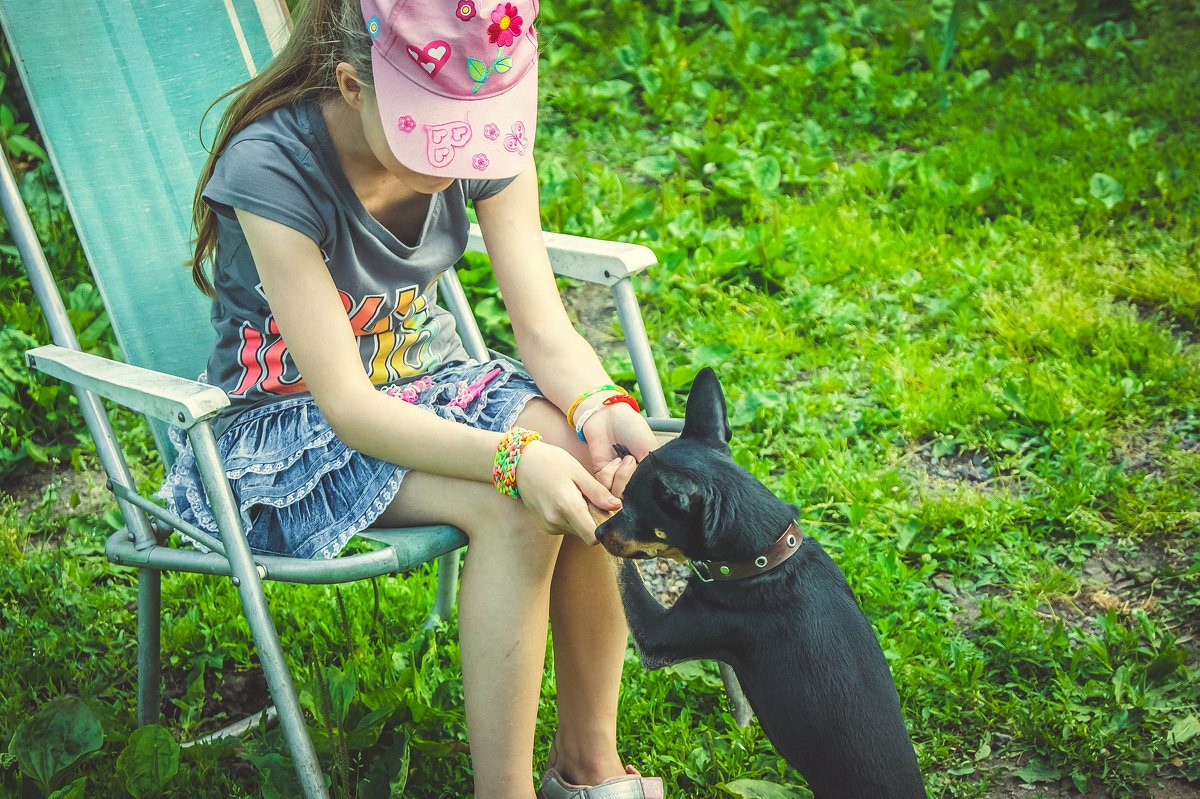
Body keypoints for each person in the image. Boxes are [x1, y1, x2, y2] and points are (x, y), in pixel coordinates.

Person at [156, 0, 664, 796]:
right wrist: (510, 457)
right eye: (433, 135)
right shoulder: (272, 167)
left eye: (472, 131)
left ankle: (589, 765)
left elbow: (541, 328)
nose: (459, 157)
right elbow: (350, 407)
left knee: (584, 465)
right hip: (290, 429)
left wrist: (601, 407)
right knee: (514, 505)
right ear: (354, 85)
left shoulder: (475, 120)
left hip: (433, 386)